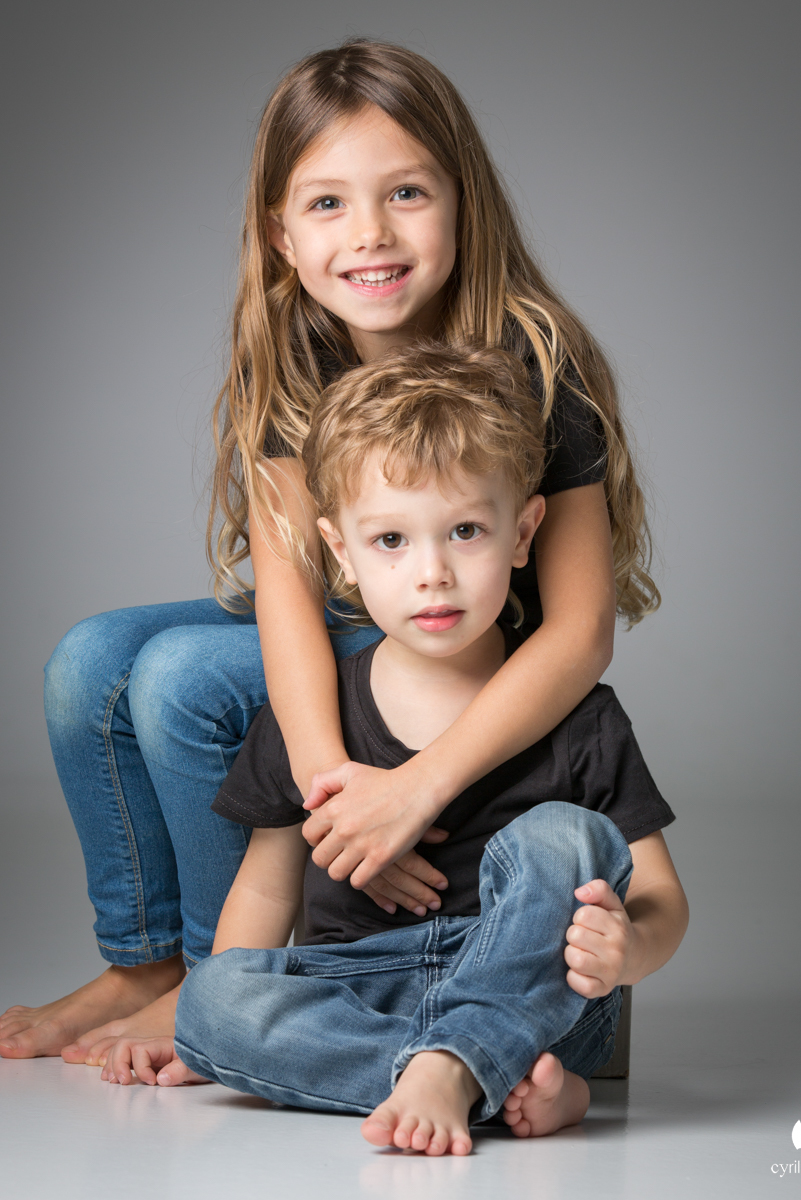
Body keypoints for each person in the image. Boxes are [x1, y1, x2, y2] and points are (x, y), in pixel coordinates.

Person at [0, 38, 660, 1065]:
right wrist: (339, 808)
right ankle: (151, 961)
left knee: (179, 680)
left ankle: (223, 975)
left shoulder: (533, 355)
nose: (371, 234)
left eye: (407, 193)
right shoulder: (294, 352)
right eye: (328, 204)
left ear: (464, 202)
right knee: (92, 663)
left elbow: (577, 633)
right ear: (281, 235)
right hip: (355, 608)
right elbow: (290, 595)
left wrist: (416, 788)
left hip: (456, 632)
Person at [97, 344, 687, 1158]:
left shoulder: (580, 718)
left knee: (567, 835)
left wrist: (633, 948)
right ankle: (475, 1077)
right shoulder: (316, 716)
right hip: (366, 988)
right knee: (212, 1000)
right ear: (339, 551)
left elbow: (659, 897)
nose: (432, 573)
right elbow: (266, 894)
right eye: (391, 541)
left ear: (524, 533)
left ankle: (460, 1064)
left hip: (538, 995)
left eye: (466, 531)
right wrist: (210, 1030)